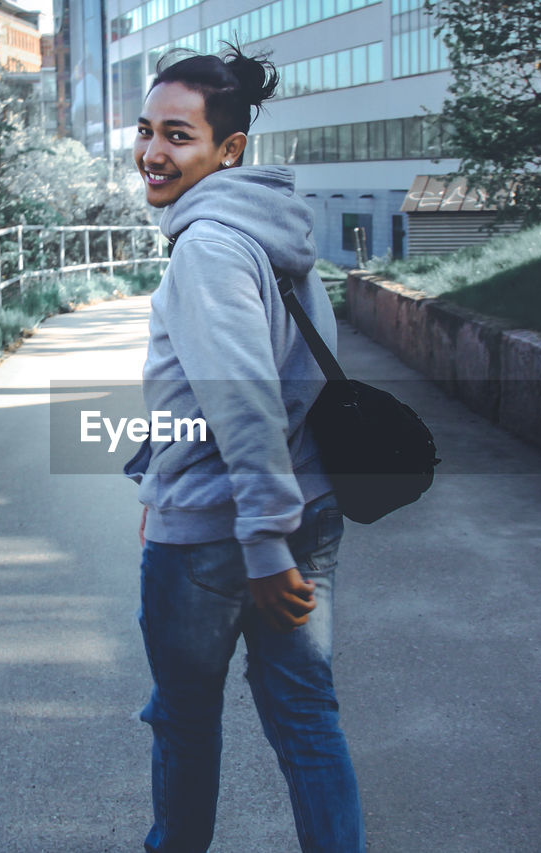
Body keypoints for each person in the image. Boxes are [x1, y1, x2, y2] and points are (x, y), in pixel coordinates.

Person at [123, 45, 365, 853]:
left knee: (184, 725)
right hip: (307, 511)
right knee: (307, 719)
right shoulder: (277, 234)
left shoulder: (208, 247)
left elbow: (244, 400)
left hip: (220, 536)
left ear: (229, 150)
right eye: (147, 130)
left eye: (178, 136)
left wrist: (260, 540)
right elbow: (293, 385)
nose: (153, 153)